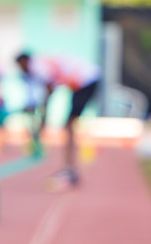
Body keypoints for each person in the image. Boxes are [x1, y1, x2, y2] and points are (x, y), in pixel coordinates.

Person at [15, 52, 100, 188]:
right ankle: (69, 167)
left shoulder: (37, 67)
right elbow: (48, 92)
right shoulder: (41, 65)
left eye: (20, 66)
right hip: (85, 81)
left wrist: (43, 119)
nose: (21, 70)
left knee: (69, 124)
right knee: (69, 124)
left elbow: (48, 92)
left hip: (86, 80)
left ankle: (70, 168)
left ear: (25, 61)